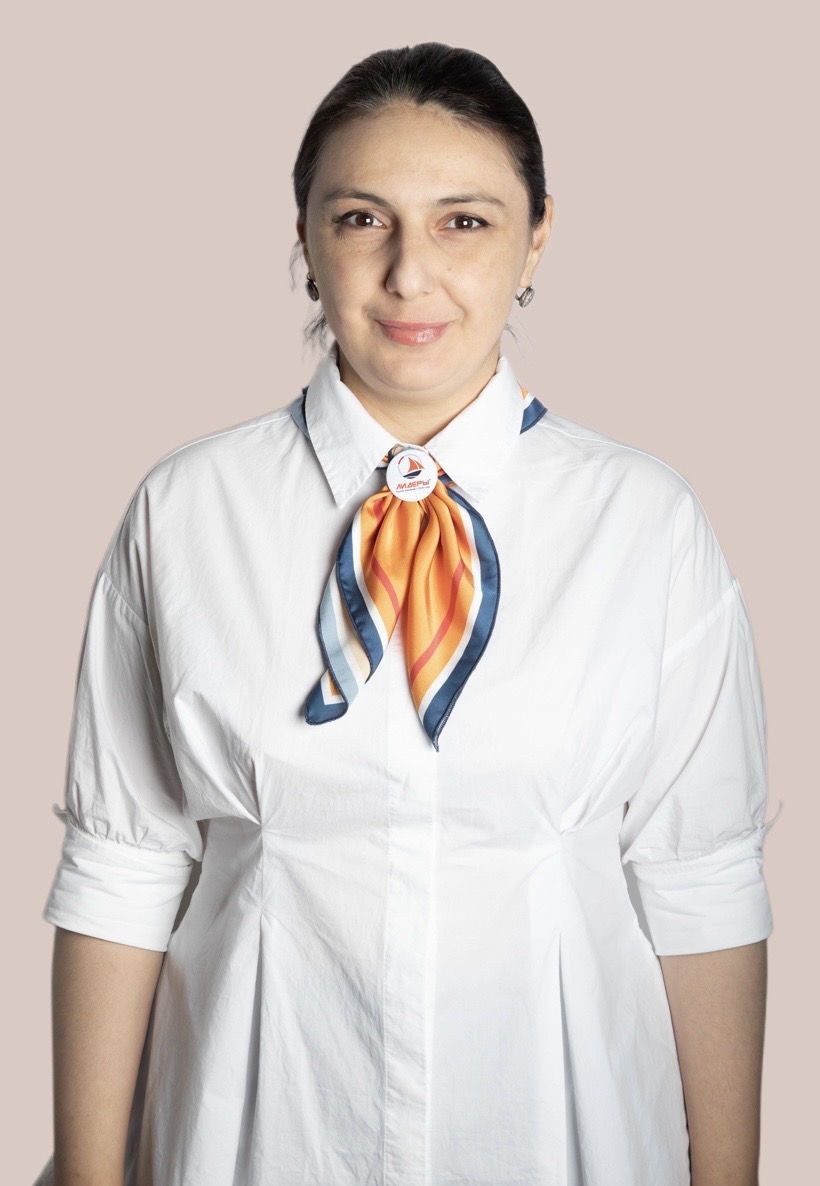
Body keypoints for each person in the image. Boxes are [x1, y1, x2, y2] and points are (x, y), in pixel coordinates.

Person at [36, 41, 782, 1186]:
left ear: (537, 237)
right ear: (305, 239)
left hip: (562, 1142)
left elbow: (700, 877)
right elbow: (121, 865)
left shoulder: (647, 522)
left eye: (464, 221)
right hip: (254, 1137)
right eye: (360, 220)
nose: (409, 274)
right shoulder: (184, 511)